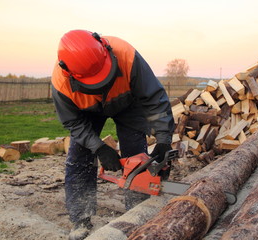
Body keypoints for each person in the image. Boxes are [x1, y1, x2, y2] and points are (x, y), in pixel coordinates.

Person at [51, 29, 174, 240]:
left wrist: (163, 139)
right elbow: (73, 122)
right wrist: (98, 148)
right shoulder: (61, 84)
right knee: (79, 157)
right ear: (68, 72)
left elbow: (154, 98)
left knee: (137, 155)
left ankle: (137, 212)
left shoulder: (127, 55)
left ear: (106, 51)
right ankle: (80, 220)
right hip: (86, 111)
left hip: (127, 102)